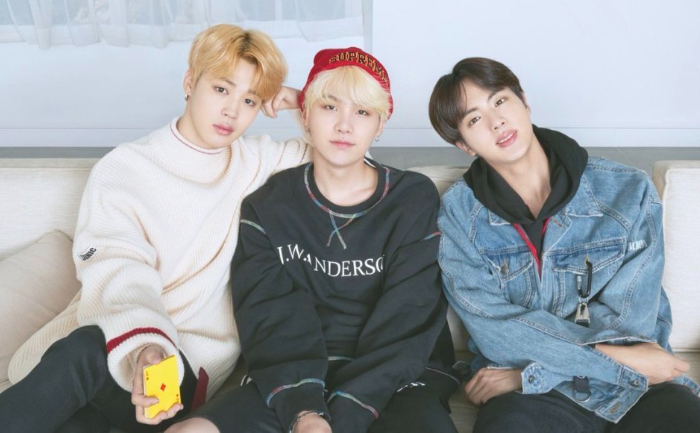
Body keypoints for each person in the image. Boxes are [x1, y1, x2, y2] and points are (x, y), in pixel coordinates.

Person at [0, 24, 311, 433]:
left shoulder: (256, 163)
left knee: (89, 355)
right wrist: (146, 343)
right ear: (189, 82)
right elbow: (117, 263)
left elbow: (344, 162)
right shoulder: (125, 168)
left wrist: (304, 102)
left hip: (178, 379)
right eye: (221, 89)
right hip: (119, 343)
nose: (232, 111)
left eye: (250, 99)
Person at [168, 47, 459, 433]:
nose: (344, 125)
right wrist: (304, 412)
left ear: (381, 125)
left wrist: (347, 413)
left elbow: (409, 316)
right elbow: (271, 317)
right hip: (294, 377)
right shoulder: (267, 206)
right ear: (305, 115)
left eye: (362, 112)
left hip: (396, 380)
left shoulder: (411, 198)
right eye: (329, 107)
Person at [429, 56, 700, 432]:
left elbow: (631, 325)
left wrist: (532, 372)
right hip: (535, 398)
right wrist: (542, 377)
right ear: (464, 145)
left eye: (500, 101)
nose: (496, 122)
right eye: (474, 120)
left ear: (524, 101)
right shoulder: (459, 214)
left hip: (635, 387)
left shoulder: (626, 190)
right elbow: (496, 330)